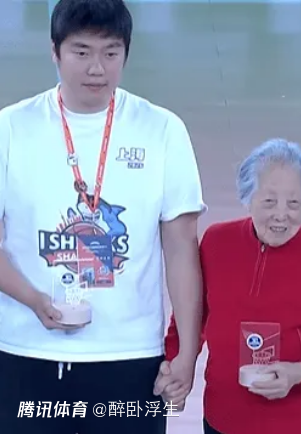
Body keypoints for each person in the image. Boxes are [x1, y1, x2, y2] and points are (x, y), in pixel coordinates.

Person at [0, 0, 206, 433]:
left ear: (126, 54)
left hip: (130, 356)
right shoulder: (11, 129)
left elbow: (181, 250)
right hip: (25, 352)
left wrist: (188, 352)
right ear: (54, 51)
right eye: (82, 52)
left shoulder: (162, 130)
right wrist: (34, 300)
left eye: (111, 53)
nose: (97, 68)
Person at [159, 139, 301, 434]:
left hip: (300, 425)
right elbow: (189, 315)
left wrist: (298, 373)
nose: (281, 214)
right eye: (269, 201)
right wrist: (174, 361)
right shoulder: (217, 243)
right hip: (223, 419)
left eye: (294, 203)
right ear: (248, 197)